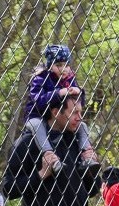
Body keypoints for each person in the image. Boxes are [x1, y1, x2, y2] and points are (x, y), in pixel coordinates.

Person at [23, 44, 99, 175]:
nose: (64, 69)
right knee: (37, 126)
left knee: (83, 126)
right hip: (36, 116)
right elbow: (38, 100)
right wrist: (59, 93)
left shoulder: (70, 78)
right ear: (50, 66)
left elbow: (77, 102)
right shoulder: (40, 78)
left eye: (66, 65)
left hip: (59, 118)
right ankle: (51, 158)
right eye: (59, 65)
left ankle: (87, 156)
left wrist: (80, 92)